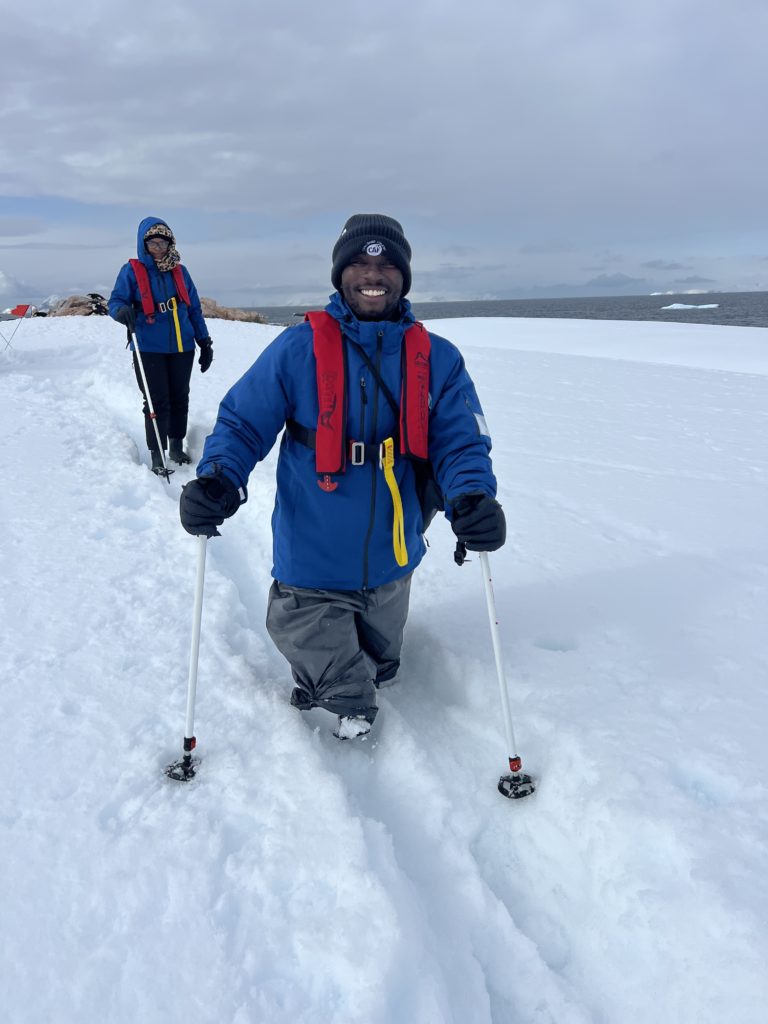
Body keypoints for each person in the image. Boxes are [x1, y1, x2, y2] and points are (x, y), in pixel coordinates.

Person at [179, 214, 505, 739]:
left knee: (385, 667)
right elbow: (242, 421)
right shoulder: (297, 348)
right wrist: (218, 477)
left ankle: (365, 662)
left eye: (385, 264)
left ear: (403, 277)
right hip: (312, 552)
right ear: (339, 275)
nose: (372, 274)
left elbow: (461, 440)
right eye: (358, 262)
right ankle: (343, 704)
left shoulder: (438, 359)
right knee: (340, 679)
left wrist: (472, 498)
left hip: (392, 556)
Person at [109, 217, 214, 474]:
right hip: (148, 346)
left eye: (163, 243)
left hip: (182, 347)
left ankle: (176, 446)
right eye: (153, 243)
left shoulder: (180, 271)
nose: (158, 248)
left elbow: (194, 310)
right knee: (156, 402)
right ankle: (157, 455)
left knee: (180, 398)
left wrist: (204, 342)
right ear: (143, 244)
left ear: (170, 243)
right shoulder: (131, 271)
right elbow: (115, 301)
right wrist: (122, 311)